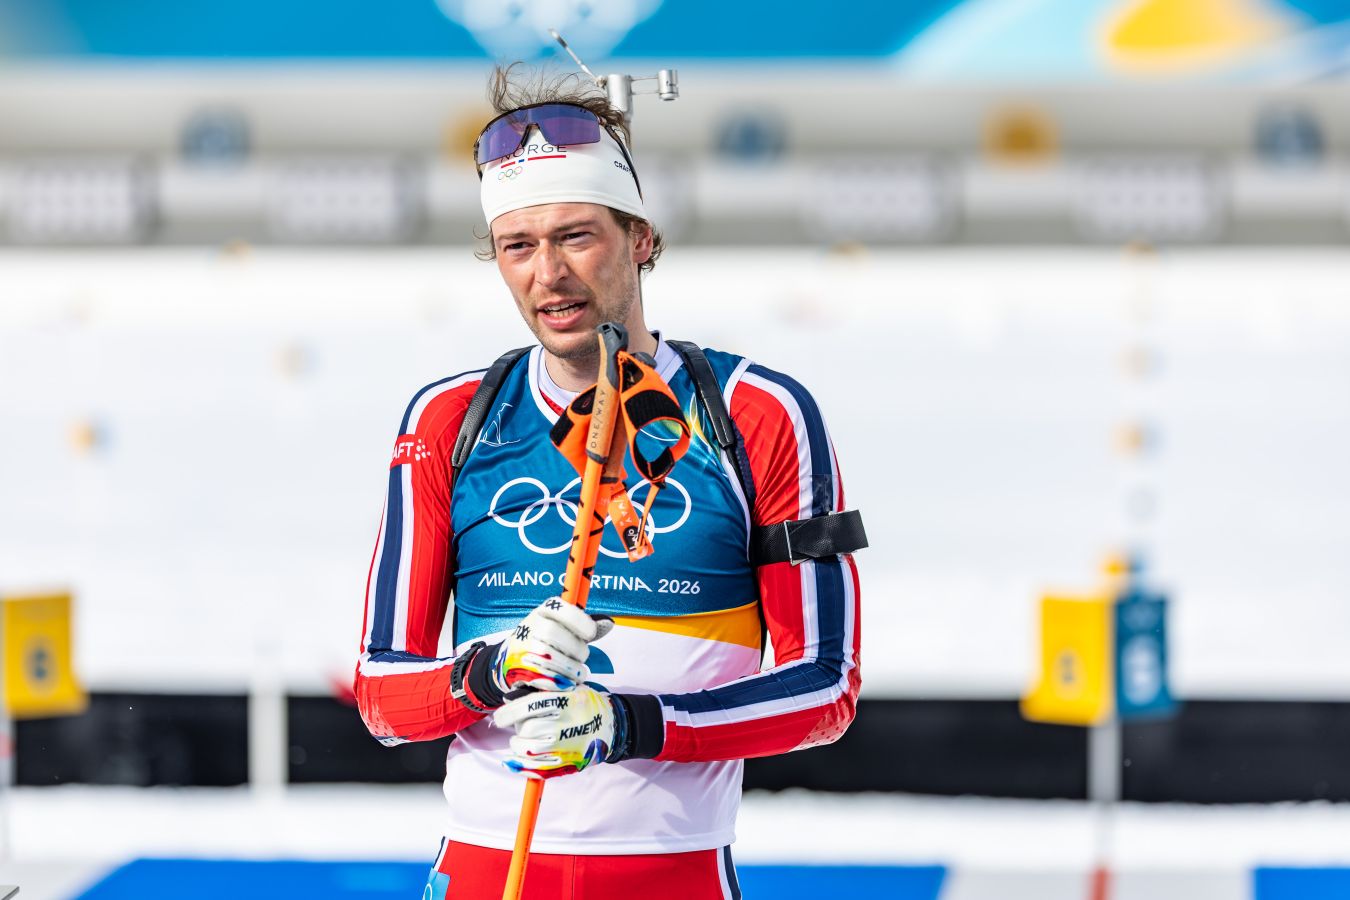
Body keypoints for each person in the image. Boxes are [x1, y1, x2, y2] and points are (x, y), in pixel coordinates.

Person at [354, 69, 862, 900]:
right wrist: (491, 670)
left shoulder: (758, 413)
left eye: (576, 237)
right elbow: (381, 693)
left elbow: (826, 688)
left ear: (641, 240)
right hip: (489, 869)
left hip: (674, 873)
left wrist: (629, 723)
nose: (548, 274)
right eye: (518, 246)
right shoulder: (449, 418)